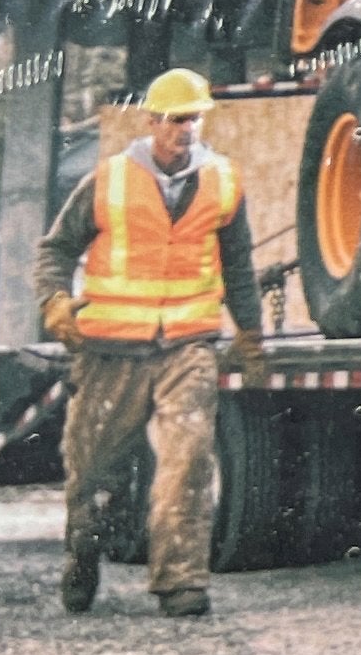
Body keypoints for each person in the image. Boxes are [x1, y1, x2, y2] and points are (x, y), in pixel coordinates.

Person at [36, 69, 266, 617]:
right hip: (110, 349)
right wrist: (54, 301)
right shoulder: (109, 180)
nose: (187, 129)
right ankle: (84, 552)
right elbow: (56, 249)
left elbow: (238, 264)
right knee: (94, 473)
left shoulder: (223, 181)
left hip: (187, 346)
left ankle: (181, 583)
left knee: (188, 463)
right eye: (177, 119)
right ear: (152, 122)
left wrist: (250, 334)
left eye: (195, 119)